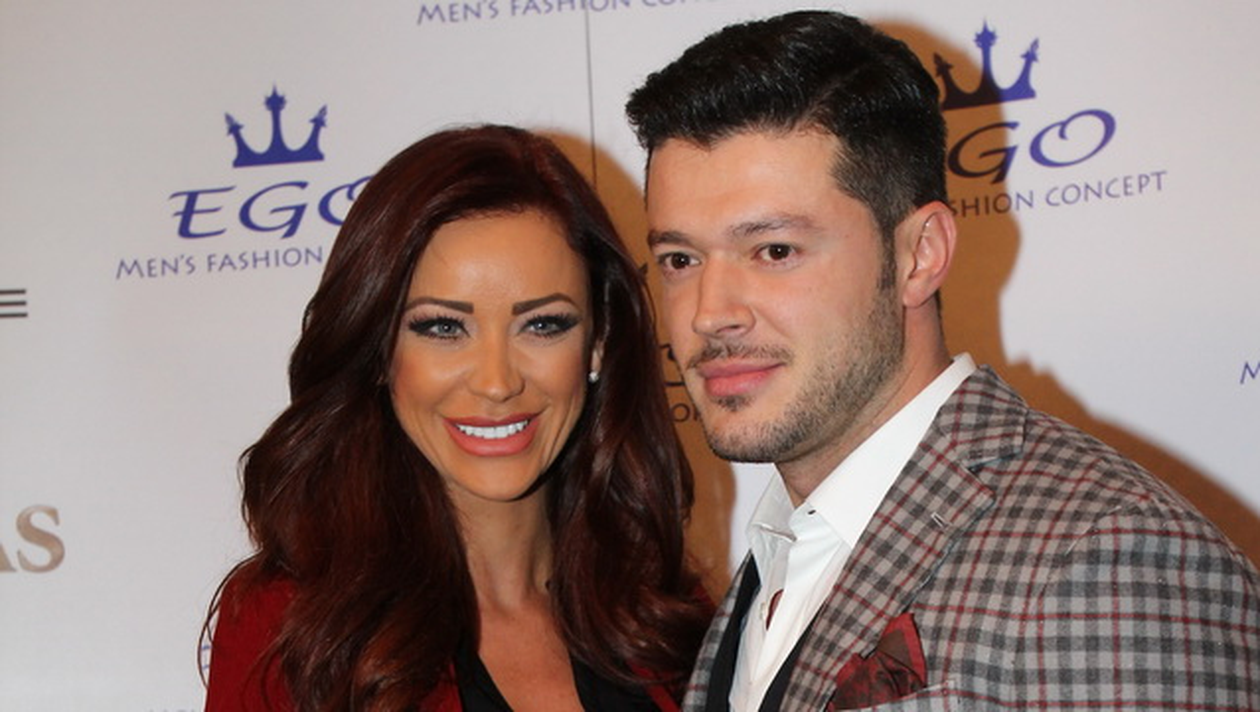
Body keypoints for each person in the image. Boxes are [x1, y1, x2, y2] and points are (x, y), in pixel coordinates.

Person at [626, 10, 1260, 711]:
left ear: (920, 254)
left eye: (774, 251)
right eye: (679, 259)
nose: (709, 312)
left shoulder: (1103, 557)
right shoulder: (779, 551)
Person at [202, 125, 711, 711]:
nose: (497, 382)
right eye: (444, 327)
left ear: (597, 342)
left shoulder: (664, 617)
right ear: (378, 349)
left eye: (542, 324)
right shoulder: (293, 629)